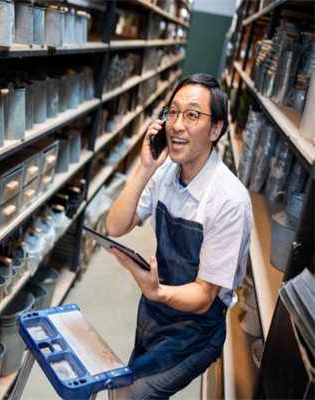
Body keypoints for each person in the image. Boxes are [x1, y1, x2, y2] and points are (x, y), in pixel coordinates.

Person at [106, 73, 252, 399]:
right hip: (155, 314)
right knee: (120, 388)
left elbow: (203, 297)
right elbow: (115, 226)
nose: (177, 125)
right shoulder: (165, 173)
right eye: (172, 112)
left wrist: (157, 292)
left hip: (195, 331)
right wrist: (145, 167)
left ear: (215, 130)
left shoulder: (229, 201)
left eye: (192, 115)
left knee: (134, 395)